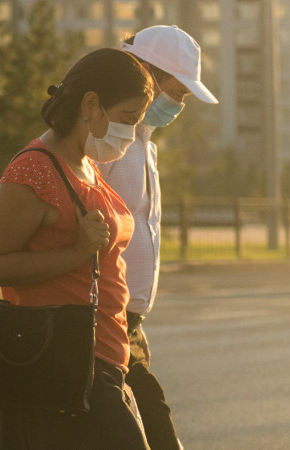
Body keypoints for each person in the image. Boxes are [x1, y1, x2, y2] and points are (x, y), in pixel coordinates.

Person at [0, 47, 153, 449]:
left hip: (101, 362)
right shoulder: (36, 168)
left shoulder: (84, 165)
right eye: (127, 118)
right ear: (91, 104)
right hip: (64, 367)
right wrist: (76, 252)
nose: (131, 132)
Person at [97, 25, 218, 450]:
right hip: (103, 317)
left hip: (128, 319)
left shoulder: (143, 141)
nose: (179, 104)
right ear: (146, 73)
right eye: (177, 92)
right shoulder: (108, 141)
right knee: (154, 426)